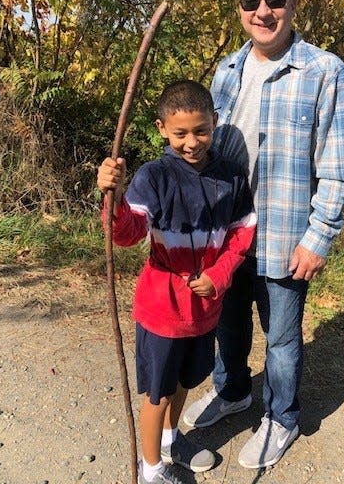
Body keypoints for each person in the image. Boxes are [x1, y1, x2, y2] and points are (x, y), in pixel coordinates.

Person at [183, 0, 344, 469]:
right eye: (251, 1)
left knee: (281, 341)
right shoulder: (227, 71)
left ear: (292, 3)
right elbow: (202, 151)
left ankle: (282, 417)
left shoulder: (325, 72)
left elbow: (339, 169)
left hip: (284, 236)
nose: (263, 10)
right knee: (228, 327)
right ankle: (233, 391)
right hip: (226, 237)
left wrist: (318, 238)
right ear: (239, 9)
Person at [97, 80, 256, 484]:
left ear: (215, 123)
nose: (192, 142)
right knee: (158, 393)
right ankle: (151, 469)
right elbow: (129, 232)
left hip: (204, 310)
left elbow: (242, 231)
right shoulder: (153, 177)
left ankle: (171, 441)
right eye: (181, 133)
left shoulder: (232, 177)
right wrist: (112, 200)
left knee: (186, 380)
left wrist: (220, 275)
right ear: (162, 128)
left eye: (201, 130)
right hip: (162, 310)